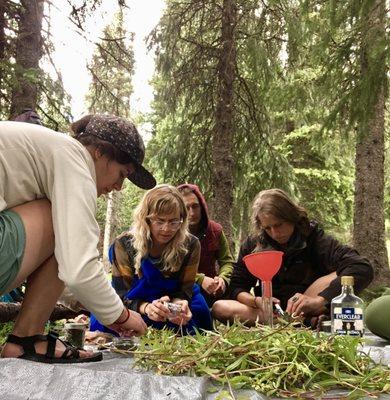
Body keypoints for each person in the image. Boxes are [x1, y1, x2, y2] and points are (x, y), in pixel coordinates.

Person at [0, 114, 155, 363]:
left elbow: (67, 269)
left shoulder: (49, 152)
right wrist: (122, 316)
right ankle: (25, 341)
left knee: (65, 231)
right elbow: (78, 269)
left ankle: (26, 341)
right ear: (99, 153)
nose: (119, 186)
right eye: (122, 174)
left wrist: (86, 300)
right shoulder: (73, 157)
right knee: (60, 222)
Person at [212, 188, 374, 326]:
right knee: (221, 307)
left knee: (339, 274)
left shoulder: (314, 238)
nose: (275, 233)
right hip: (271, 312)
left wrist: (318, 301)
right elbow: (236, 286)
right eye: (268, 228)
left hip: (308, 303)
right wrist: (257, 301)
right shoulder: (254, 244)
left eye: (278, 225)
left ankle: (303, 318)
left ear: (291, 217)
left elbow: (361, 267)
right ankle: (289, 323)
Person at [90, 185, 213, 335]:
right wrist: (147, 308)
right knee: (107, 323)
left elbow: (184, 290)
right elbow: (120, 295)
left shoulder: (191, 245)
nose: (167, 229)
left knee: (198, 316)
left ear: (182, 219)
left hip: (170, 300)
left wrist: (178, 305)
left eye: (174, 222)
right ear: (146, 219)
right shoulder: (124, 245)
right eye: (159, 221)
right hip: (134, 301)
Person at [177, 184, 234, 306]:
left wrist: (222, 279)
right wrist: (200, 279)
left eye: (195, 206)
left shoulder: (215, 230)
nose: (192, 213)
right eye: (187, 208)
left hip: (213, 290)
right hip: (183, 289)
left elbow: (227, 261)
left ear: (202, 206)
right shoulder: (172, 233)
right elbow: (172, 269)